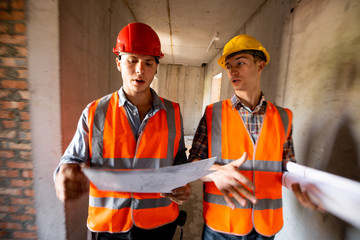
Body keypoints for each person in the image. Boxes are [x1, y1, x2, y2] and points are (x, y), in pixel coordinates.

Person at [54, 22, 191, 240]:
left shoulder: (172, 112)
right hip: (109, 226)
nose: (140, 69)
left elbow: (178, 158)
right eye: (132, 60)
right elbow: (71, 160)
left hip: (159, 225)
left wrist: (183, 184)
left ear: (156, 68)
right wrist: (65, 174)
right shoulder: (95, 112)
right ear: (118, 63)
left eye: (148, 62)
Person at [189, 34, 317, 240]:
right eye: (229, 66)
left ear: (260, 65)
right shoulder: (214, 113)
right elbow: (192, 164)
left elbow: (287, 165)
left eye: (240, 63)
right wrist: (214, 173)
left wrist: (301, 184)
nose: (233, 71)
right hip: (222, 225)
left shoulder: (283, 117)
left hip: (265, 226)